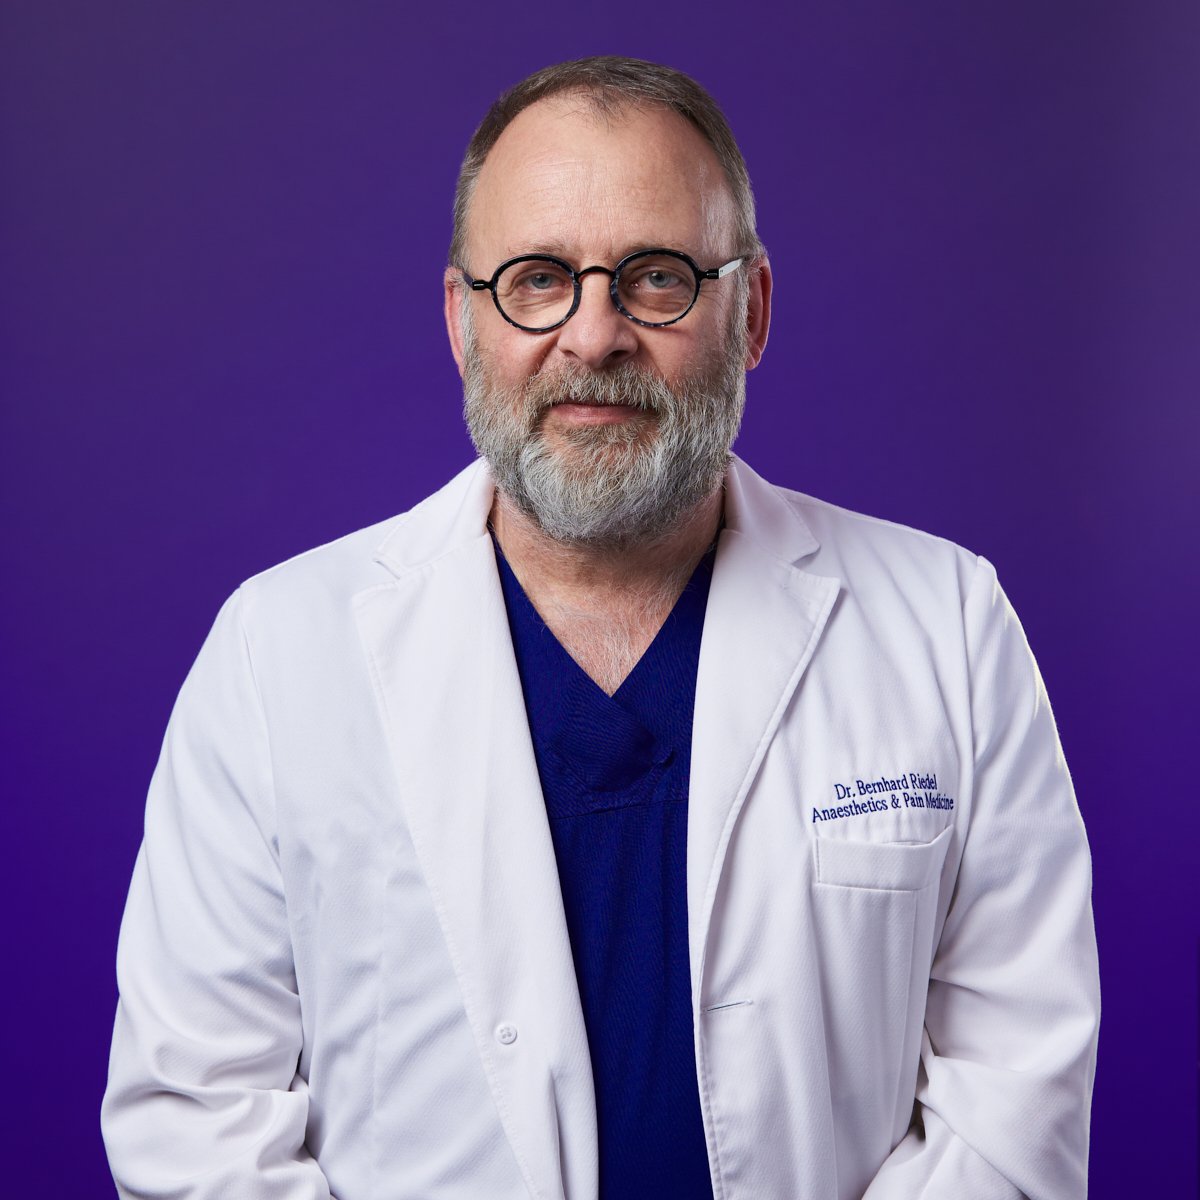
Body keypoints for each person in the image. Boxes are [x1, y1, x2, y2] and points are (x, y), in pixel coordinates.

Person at [102, 56, 1099, 1200]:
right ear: (460, 320)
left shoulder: (948, 630)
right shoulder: (277, 655)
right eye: (536, 278)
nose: (593, 335)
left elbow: (1018, 1098)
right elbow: (197, 1124)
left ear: (753, 311)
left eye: (657, 278)